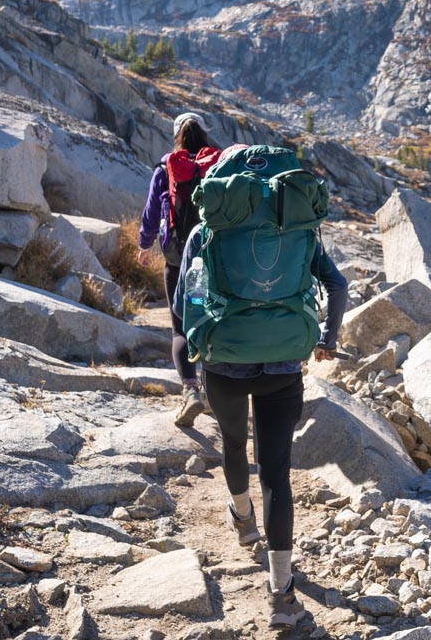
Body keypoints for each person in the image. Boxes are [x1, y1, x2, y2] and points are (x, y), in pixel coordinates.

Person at [172, 218, 348, 627]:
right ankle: (282, 596)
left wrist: (202, 349)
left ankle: (243, 520)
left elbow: (185, 304)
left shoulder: (208, 230)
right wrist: (327, 338)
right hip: (283, 367)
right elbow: (337, 286)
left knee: (234, 445)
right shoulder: (298, 227)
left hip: (224, 365)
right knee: (275, 473)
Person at [138, 112, 222, 426]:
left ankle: (190, 391)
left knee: (181, 326)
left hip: (178, 260)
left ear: (177, 135)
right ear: (205, 132)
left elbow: (151, 209)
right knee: (209, 320)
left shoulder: (167, 167)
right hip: (214, 260)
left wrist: (145, 244)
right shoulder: (218, 163)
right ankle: (215, 395)